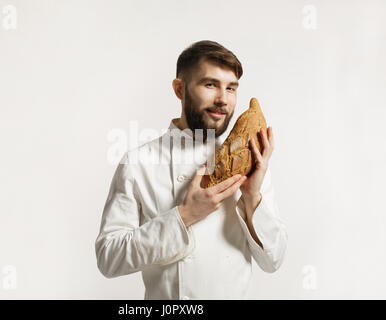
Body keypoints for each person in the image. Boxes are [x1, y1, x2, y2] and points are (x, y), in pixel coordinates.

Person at [95, 40, 287, 300]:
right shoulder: (138, 162)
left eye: (231, 88)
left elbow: (273, 261)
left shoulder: (250, 162)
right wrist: (184, 216)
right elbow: (109, 257)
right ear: (179, 89)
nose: (223, 99)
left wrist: (252, 197)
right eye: (210, 85)